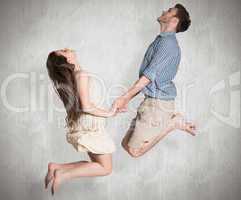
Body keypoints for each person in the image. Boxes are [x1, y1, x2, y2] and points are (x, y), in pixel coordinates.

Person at [112, 4, 196, 158]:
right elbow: (148, 77)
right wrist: (127, 99)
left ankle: (172, 124)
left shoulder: (168, 44)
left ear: (174, 20)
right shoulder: (161, 40)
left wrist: (124, 98)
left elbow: (148, 76)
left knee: (134, 151)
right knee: (126, 144)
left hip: (157, 106)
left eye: (169, 11)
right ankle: (171, 121)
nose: (165, 11)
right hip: (151, 102)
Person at [44, 48, 116, 195]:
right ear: (68, 60)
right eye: (64, 51)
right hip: (90, 126)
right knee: (106, 168)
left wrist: (110, 108)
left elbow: (86, 103)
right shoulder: (81, 75)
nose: (68, 49)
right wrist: (109, 112)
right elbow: (86, 106)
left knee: (98, 165)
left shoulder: (74, 78)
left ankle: (56, 167)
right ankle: (63, 174)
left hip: (84, 124)